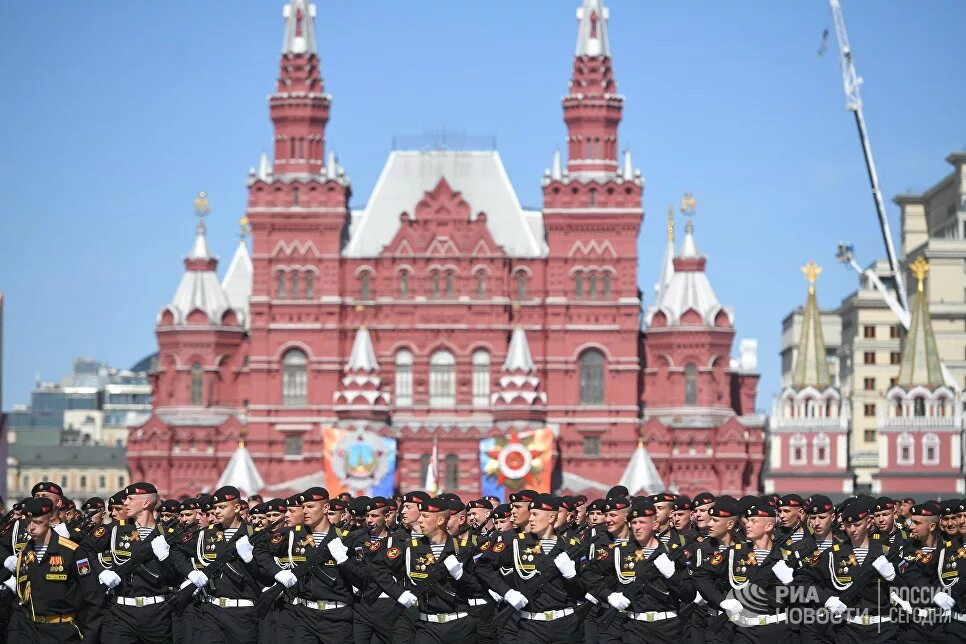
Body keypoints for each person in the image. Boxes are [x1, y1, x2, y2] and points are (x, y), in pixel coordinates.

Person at [86, 482, 205, 644]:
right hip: (120, 613)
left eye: (130, 499)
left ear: (146, 503)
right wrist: (101, 571)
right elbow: (84, 549)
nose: (125, 503)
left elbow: (175, 579)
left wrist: (165, 559)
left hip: (157, 614)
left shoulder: (169, 534)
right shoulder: (115, 530)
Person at [477, 494, 586, 644]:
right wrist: (508, 593)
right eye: (531, 514)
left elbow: (581, 593)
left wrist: (571, 576)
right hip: (531, 626)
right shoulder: (516, 542)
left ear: (551, 517)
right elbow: (483, 566)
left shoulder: (571, 545)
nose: (531, 519)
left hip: (566, 625)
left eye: (535, 514)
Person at [371, 496, 479, 643]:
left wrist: (461, 575)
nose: (420, 520)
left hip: (460, 626)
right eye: (420, 515)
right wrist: (399, 593)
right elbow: (378, 566)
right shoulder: (411, 546)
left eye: (425, 516)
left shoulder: (463, 548)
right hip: (427, 627)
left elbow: (478, 587)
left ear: (441, 520)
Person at [253, 487, 354, 644]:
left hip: (337, 617)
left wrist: (343, 560)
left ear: (326, 508)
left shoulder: (345, 538)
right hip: (304, 616)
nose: (305, 511)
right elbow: (260, 548)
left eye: (311, 507)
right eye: (304, 507)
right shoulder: (293, 534)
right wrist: (278, 573)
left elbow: (362, 577)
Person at [591, 498, 689, 643]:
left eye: (642, 522)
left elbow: (689, 593)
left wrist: (672, 575)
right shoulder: (620, 552)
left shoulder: (671, 553)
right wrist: (610, 595)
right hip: (634, 627)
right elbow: (590, 574)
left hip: (668, 628)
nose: (637, 527)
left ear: (655, 524)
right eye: (634, 523)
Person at [5, 497, 101, 643]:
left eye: (37, 522)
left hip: (62, 631)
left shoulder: (72, 551)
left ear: (50, 521)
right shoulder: (25, 553)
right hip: (28, 631)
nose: (31, 527)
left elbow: (93, 597)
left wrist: (89, 637)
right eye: (28, 522)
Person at [194, 486, 266, 644]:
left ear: (237, 507)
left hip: (243, 613)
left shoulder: (254, 534)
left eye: (222, 507)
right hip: (212, 610)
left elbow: (264, 572)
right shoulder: (207, 533)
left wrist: (249, 559)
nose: (217, 511)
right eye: (215, 508)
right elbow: (178, 550)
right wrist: (190, 573)